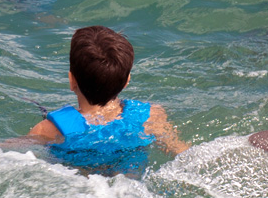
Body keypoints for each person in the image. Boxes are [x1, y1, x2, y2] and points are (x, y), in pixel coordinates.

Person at [22, 26, 187, 168]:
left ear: (72, 81)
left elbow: (10, 152)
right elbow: (183, 155)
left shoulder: (49, 129)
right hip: (129, 188)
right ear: (126, 81)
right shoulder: (150, 115)